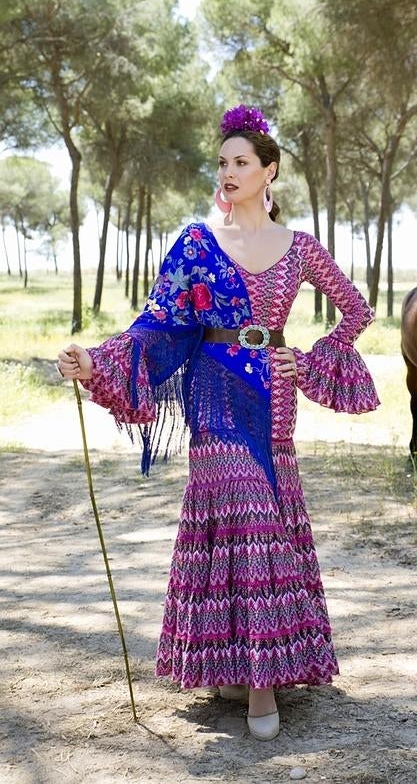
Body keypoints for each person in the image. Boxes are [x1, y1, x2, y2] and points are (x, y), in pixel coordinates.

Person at [57, 104, 379, 741]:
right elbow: (157, 326)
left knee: (266, 516)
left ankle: (260, 677)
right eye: (223, 163)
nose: (229, 172)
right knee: (243, 515)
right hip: (212, 390)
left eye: (242, 162)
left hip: (274, 394)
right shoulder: (196, 244)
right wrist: (95, 360)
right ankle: (248, 673)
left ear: (270, 172)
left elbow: (356, 310)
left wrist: (307, 360)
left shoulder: (301, 248)